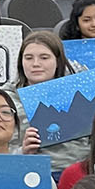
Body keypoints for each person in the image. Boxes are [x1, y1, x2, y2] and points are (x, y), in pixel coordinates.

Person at [10, 30, 85, 173]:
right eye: (28, 58)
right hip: (25, 171)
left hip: (77, 173)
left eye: (44, 58)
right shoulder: (5, 98)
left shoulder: (79, 93)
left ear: (58, 61)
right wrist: (22, 151)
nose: (36, 64)